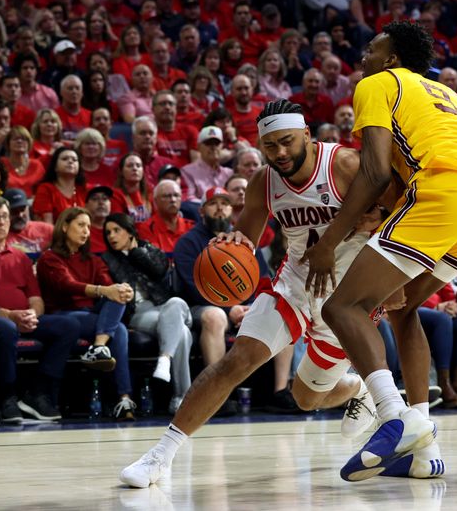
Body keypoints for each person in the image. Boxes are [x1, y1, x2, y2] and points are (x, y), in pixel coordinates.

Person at [120, 100, 386, 488]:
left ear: (307, 136)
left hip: (347, 295)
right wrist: (235, 241)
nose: (279, 153)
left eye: (287, 142)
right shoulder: (265, 179)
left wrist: (379, 222)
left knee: (306, 398)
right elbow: (248, 234)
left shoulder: (343, 164)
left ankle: (357, 389)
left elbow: (401, 210)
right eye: (270, 146)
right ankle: (160, 455)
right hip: (294, 283)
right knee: (236, 361)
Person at [300, 22, 457, 481]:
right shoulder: (443, 93)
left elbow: (374, 172)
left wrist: (329, 243)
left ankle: (393, 418)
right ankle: (424, 451)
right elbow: (400, 169)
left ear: (391, 59)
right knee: (404, 306)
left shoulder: (377, 84)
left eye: (372, 49)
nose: (363, 56)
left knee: (344, 306)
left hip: (445, 191)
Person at [0, 196, 81, 421]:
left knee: (69, 325)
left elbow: (36, 298)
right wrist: (8, 314)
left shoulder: (21, 257)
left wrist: (32, 314)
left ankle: (38, 393)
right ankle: (7, 397)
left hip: (22, 318)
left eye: (5, 217)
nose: (1, 222)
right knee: (6, 328)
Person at [36, 207, 137, 420]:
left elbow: (109, 285)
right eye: (81, 225)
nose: (86, 231)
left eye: (89, 227)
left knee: (118, 294)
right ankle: (123, 397)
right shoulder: (50, 258)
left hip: (92, 315)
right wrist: (105, 290)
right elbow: (67, 285)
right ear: (64, 226)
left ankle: (100, 349)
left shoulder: (92, 259)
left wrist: (122, 290)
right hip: (64, 316)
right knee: (118, 329)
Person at [102, 212, 193, 414]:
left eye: (117, 230)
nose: (111, 236)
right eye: (108, 232)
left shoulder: (149, 249)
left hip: (165, 306)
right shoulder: (107, 259)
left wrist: (135, 251)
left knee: (176, 303)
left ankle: (165, 359)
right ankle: (181, 398)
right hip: (139, 313)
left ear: (130, 232)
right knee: (183, 333)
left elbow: (159, 271)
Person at [33, 147, 88, 224]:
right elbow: (47, 225)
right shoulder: (46, 188)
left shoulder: (84, 189)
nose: (70, 161)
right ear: (55, 167)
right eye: (65, 159)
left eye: (74, 160)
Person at [137, 179, 193, 253]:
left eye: (176, 195)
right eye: (166, 196)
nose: (173, 200)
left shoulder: (191, 226)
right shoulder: (147, 228)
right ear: (155, 201)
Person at [3, 188, 53, 254]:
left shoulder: (47, 230)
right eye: (14, 211)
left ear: (28, 208)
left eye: (23, 209)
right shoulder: (0, 236)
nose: (20, 215)